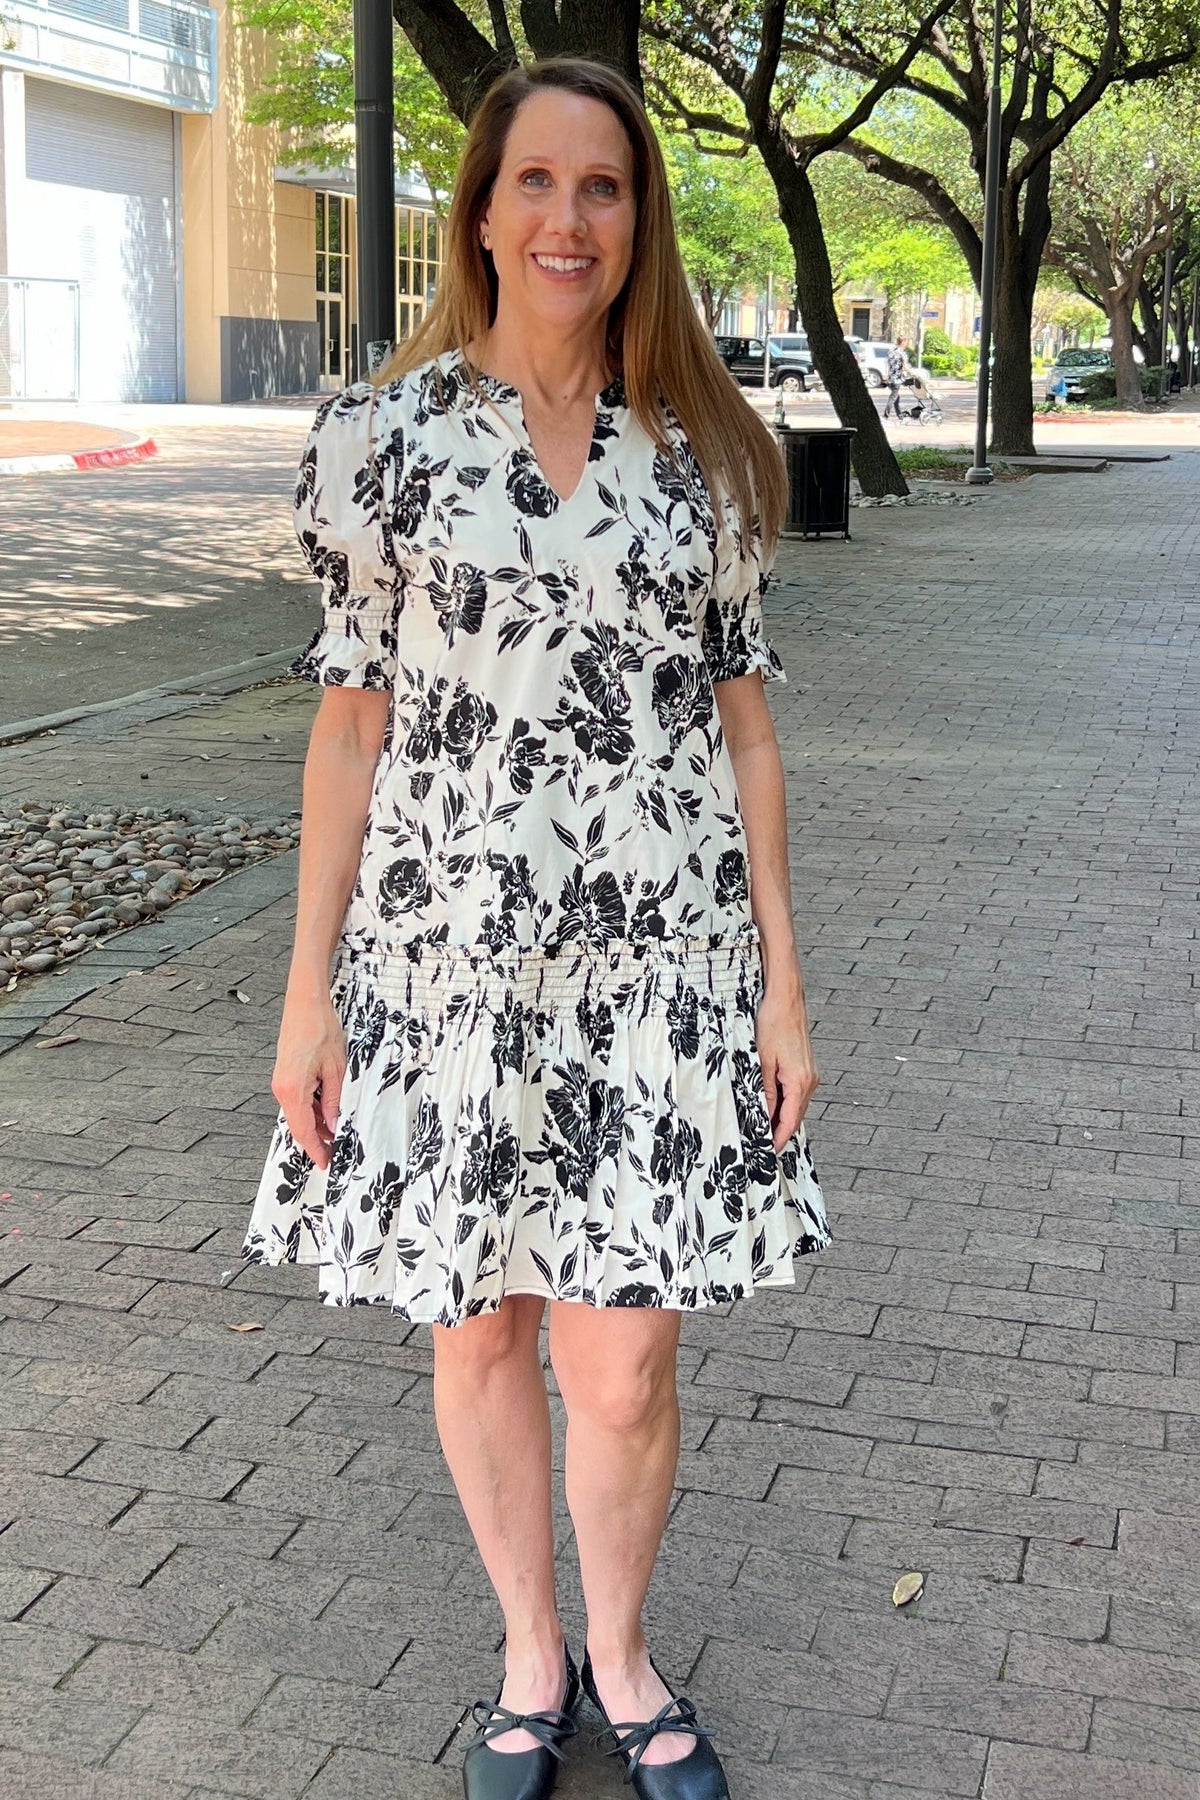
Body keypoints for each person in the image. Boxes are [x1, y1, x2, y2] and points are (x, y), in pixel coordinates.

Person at [241, 55, 830, 1800]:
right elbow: (347, 726)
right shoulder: (384, 442)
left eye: (603, 187)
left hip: (661, 969)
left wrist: (786, 982)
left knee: (627, 1359)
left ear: (636, 223)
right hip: (444, 969)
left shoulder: (706, 461)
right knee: (482, 1326)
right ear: (482, 213)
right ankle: (528, 1645)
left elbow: (746, 726)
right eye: (536, 183)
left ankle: (625, 1652)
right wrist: (305, 1003)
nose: (567, 217)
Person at [882, 336, 909, 418]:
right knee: (893, 397)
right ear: (903, 342)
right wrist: (912, 372)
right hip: (897, 378)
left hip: (890, 378)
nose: (906, 344)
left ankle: (900, 415)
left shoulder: (891, 351)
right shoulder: (902, 353)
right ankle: (885, 416)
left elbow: (886, 363)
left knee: (896, 396)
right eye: (906, 342)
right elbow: (905, 367)